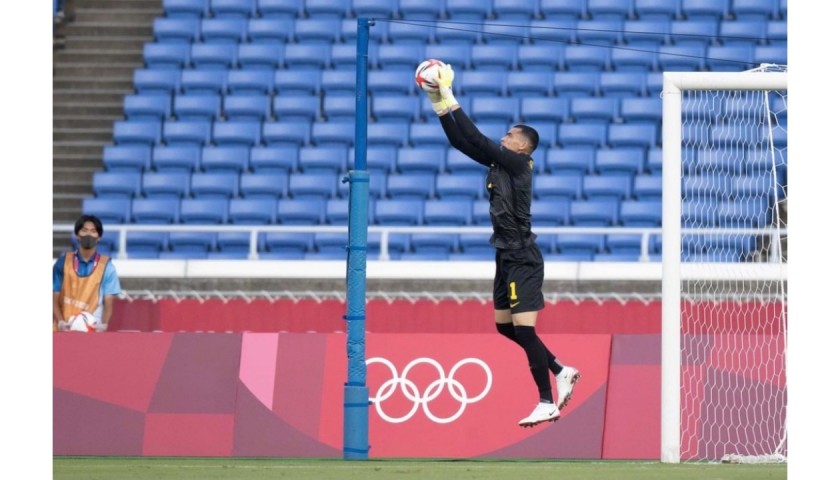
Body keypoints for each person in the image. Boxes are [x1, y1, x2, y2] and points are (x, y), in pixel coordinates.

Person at [424, 63, 580, 428]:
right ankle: (561, 370)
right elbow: (461, 141)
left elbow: (477, 139)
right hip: (504, 254)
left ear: (523, 145)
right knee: (505, 328)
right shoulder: (500, 163)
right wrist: (437, 101)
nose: (504, 138)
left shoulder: (519, 165)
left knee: (525, 331)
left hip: (523, 256)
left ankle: (546, 401)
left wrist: (449, 95)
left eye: (509, 135)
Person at [53, 214, 121, 332]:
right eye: (84, 230)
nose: (89, 234)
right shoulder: (62, 263)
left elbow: (108, 302)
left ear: (99, 237)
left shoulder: (107, 267)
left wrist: (104, 325)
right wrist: (60, 322)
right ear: (77, 235)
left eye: (93, 231)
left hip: (91, 331)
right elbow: (53, 298)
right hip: (63, 330)